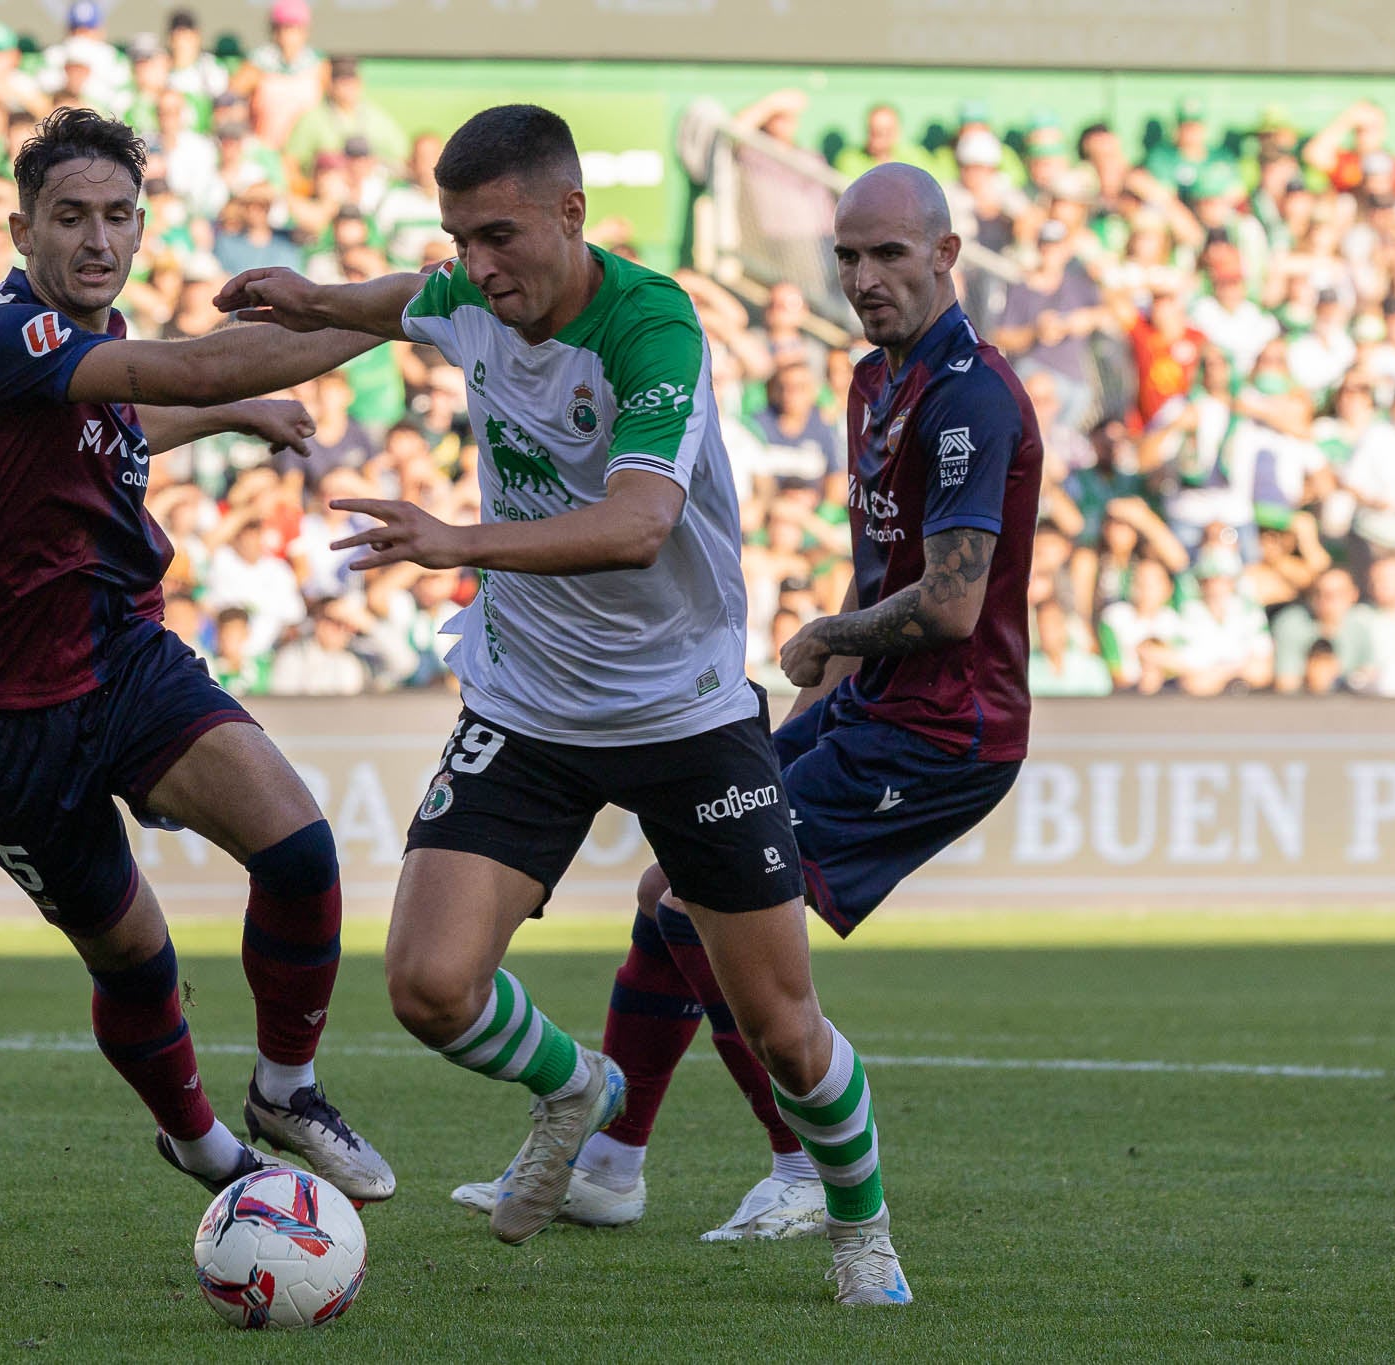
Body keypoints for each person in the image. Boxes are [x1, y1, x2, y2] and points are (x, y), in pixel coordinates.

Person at [216, 103, 861, 1271]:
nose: (477, 265)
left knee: (780, 1028)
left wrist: (456, 543)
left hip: (685, 713)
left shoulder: (650, 324)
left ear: (571, 213)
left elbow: (637, 523)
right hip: (527, 706)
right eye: (460, 237)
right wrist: (309, 299)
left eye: (499, 236)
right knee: (427, 985)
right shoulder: (468, 297)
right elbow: (398, 300)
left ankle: (861, 1231)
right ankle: (581, 1091)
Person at [433, 163, 1040, 1292]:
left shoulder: (971, 396)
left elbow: (951, 604)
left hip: (945, 735)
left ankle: (793, 1168)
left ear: (947, 257)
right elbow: (886, 563)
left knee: (688, 911)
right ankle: (613, 1162)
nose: (864, 279)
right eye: (847, 257)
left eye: (890, 256)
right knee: (664, 899)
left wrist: (825, 634)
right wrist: (825, 679)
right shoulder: (878, 380)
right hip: (869, 703)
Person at [0, 108, 394, 1205]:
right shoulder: (0, 338)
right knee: (134, 958)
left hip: (118, 652)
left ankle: (284, 1089)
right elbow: (176, 370)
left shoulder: (80, 343)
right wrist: (405, 309)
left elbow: (124, 418)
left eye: (117, 216)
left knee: (301, 852)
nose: (95, 239)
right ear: (19, 228)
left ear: (140, 227)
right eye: (69, 217)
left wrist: (237, 418)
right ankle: (206, 1149)